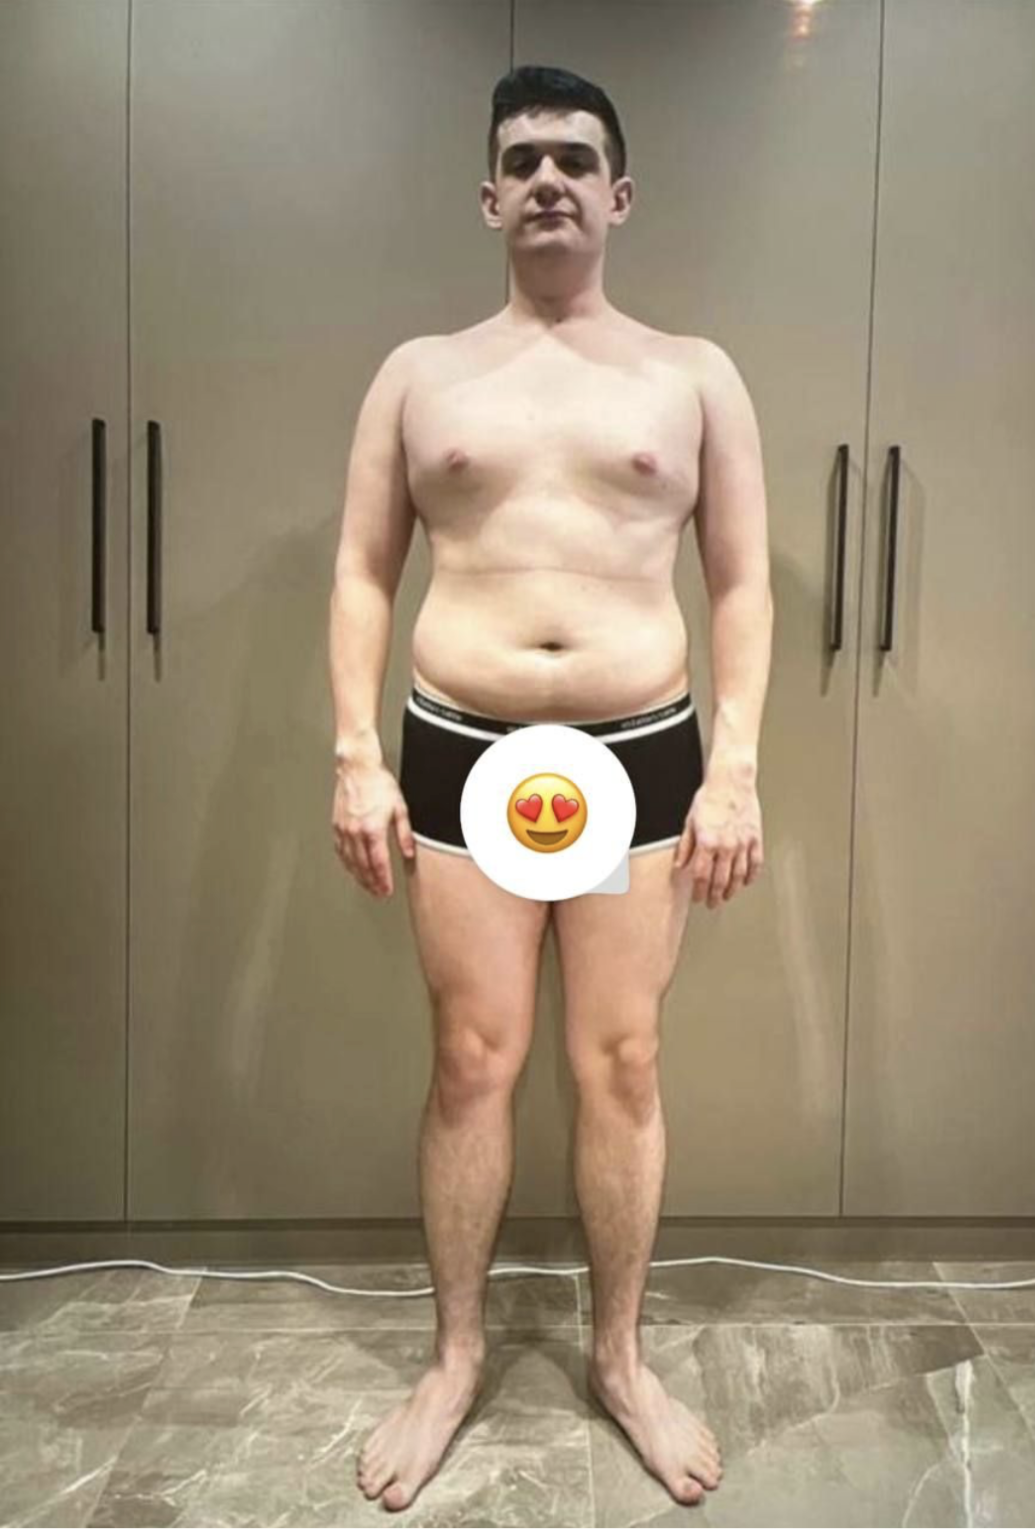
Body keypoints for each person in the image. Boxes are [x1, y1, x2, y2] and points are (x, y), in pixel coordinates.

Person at [328, 63, 772, 1514]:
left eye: (575, 160)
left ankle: (619, 1359)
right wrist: (354, 755)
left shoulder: (692, 375)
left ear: (618, 194)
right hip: (460, 743)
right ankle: (455, 1357)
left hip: (640, 749)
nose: (548, 182)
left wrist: (734, 771)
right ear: (487, 197)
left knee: (621, 1061)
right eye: (522, 161)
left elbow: (741, 583)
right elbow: (363, 572)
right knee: (472, 1057)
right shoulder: (419, 374)